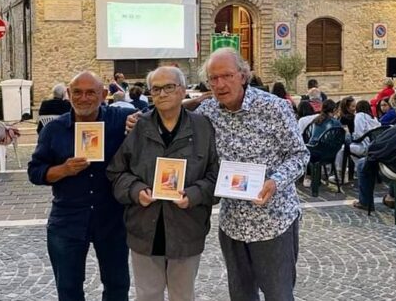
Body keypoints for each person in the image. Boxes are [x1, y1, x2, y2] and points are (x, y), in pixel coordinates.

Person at [126, 49, 309, 300]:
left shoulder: (274, 108)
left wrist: (274, 182)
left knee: (278, 294)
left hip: (273, 220)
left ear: (243, 76)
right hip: (232, 222)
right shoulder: (208, 112)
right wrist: (143, 118)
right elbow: (176, 110)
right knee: (241, 294)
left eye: (227, 76)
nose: (220, 84)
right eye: (213, 78)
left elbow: (300, 155)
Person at [107, 66, 219, 301]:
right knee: (148, 295)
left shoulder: (203, 128)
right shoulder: (138, 127)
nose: (162, 94)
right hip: (145, 229)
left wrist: (194, 194)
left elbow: (215, 176)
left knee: (182, 296)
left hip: (187, 228)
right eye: (156, 89)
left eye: (169, 87)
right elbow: (116, 172)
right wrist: (137, 191)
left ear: (181, 91)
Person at [28, 71, 135, 301]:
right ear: (68, 94)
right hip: (68, 219)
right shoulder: (54, 130)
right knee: (68, 288)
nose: (83, 98)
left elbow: (158, 115)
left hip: (112, 218)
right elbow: (35, 172)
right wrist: (63, 170)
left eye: (91, 92)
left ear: (104, 94)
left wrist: (139, 121)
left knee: (118, 286)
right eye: (77, 92)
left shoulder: (119, 120)